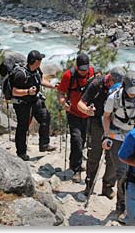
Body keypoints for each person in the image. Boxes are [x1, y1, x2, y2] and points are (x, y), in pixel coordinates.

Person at [77, 67, 126, 199]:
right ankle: (89, 185)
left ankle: (108, 187)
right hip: (97, 123)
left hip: (115, 125)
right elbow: (80, 103)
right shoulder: (96, 84)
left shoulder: (121, 88)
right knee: (94, 155)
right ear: (109, 78)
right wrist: (87, 110)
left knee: (112, 157)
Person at [102, 72, 135, 220]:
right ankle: (122, 206)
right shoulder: (113, 98)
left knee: (134, 172)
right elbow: (106, 117)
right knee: (122, 172)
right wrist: (106, 135)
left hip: (134, 136)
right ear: (124, 86)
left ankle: (132, 204)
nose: (133, 95)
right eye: (131, 91)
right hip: (117, 136)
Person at [12, 50, 57, 161]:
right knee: (23, 127)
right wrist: (27, 92)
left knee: (45, 116)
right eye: (40, 60)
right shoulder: (20, 74)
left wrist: (52, 86)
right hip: (22, 104)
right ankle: (21, 153)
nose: (41, 61)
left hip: (34, 100)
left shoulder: (37, 70)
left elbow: (40, 80)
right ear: (36, 61)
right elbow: (14, 91)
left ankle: (44, 144)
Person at [57, 53, 95, 183]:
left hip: (87, 114)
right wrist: (63, 103)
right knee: (76, 139)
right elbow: (61, 93)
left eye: (86, 69)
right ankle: (76, 170)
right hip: (73, 112)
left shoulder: (92, 73)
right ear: (76, 66)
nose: (84, 72)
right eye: (81, 69)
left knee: (82, 140)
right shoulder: (69, 76)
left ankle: (74, 164)